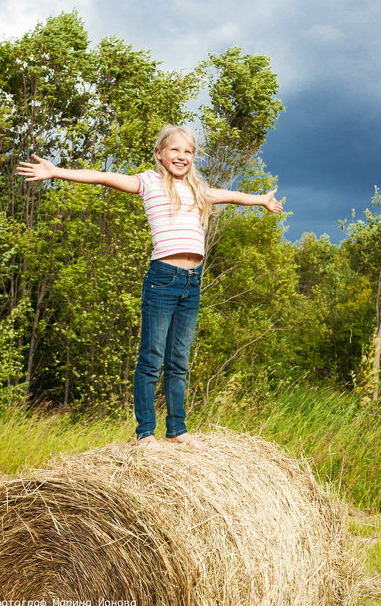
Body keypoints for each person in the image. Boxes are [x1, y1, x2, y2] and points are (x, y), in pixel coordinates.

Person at [17, 124, 283, 452]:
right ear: (160, 154)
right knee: (152, 358)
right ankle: (145, 433)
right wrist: (56, 172)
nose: (181, 157)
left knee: (179, 360)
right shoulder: (149, 181)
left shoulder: (197, 189)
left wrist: (260, 200)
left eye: (188, 152)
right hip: (163, 278)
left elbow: (230, 195)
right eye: (174, 150)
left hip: (192, 282)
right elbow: (102, 176)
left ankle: (177, 430)